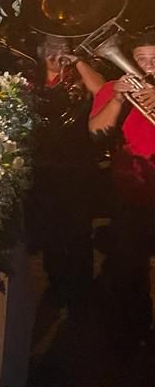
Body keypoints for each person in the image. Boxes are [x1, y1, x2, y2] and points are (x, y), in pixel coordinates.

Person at [25, 37, 104, 317]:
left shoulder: (78, 82)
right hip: (44, 167)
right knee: (51, 230)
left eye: (61, 49)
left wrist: (78, 62)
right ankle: (57, 285)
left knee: (78, 229)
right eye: (50, 49)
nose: (55, 54)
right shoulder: (29, 82)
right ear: (40, 52)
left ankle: (82, 289)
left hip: (76, 167)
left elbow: (102, 90)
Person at [89, 27, 155, 352]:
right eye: (141, 60)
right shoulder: (114, 88)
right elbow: (96, 132)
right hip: (131, 194)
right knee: (130, 269)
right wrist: (117, 99)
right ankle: (136, 331)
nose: (147, 67)